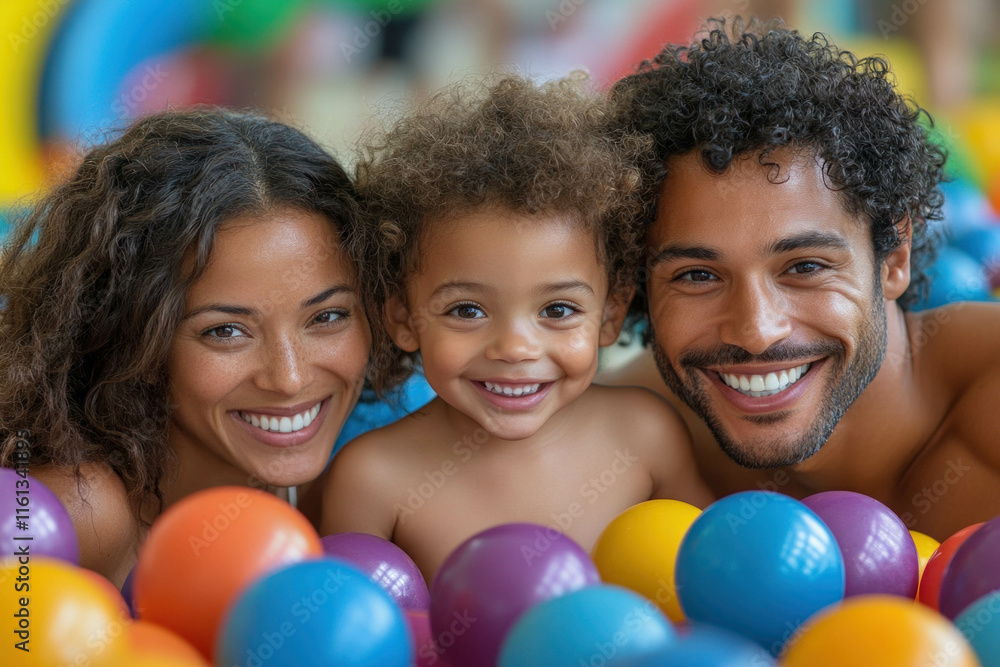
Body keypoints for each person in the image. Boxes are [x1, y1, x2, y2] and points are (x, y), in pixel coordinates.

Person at [603, 17, 1000, 540]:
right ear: (639, 289)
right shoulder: (624, 434)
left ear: (894, 257)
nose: (755, 331)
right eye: (698, 275)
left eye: (805, 267)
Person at [319, 73, 713, 581]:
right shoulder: (371, 477)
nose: (515, 347)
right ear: (403, 319)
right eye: (467, 310)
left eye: (557, 310)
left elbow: (712, 580)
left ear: (611, 314)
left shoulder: (645, 434)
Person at [0, 109, 371, 587]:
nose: (290, 378)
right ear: (132, 337)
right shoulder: (81, 513)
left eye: (326, 317)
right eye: (226, 331)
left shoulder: (371, 469)